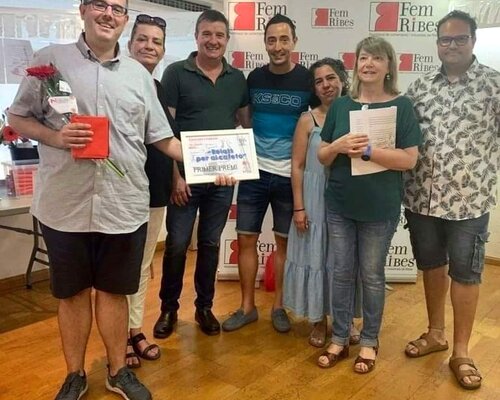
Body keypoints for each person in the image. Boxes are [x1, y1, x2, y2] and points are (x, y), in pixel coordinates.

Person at [5, 0, 210, 398]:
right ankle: (75, 374)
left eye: (117, 8)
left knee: (116, 293)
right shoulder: (49, 61)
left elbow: (163, 139)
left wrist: (212, 161)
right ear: (83, 9)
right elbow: (17, 117)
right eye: (100, 4)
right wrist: (55, 137)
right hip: (65, 206)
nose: (108, 14)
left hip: (123, 205)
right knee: (73, 295)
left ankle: (118, 371)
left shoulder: (139, 76)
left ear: (124, 19)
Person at [403, 10, 499, 390]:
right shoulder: (420, 87)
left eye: (460, 38)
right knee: (431, 266)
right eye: (446, 39)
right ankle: (435, 333)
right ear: (438, 44)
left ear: (473, 41)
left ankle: (461, 351)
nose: (452, 45)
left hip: (469, 201)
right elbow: (400, 133)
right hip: (421, 198)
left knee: (466, 274)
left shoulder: (494, 85)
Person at [317, 36, 421, 373]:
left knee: (373, 277)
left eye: (377, 58)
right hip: (340, 205)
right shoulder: (341, 106)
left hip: (379, 208)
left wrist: (368, 151)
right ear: (356, 63)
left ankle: (369, 341)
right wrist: (338, 146)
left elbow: (409, 160)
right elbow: (322, 155)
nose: (369, 64)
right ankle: (340, 337)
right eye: (363, 57)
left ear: (389, 66)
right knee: (342, 274)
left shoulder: (402, 107)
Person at [153, 9, 250, 338]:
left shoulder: (237, 79)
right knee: (177, 245)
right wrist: (175, 176)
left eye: (219, 35)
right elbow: (164, 130)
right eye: (206, 34)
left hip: (222, 182)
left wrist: (238, 163)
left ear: (227, 39)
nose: (213, 40)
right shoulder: (175, 73)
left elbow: (245, 124)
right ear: (196, 37)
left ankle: (204, 307)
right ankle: (168, 309)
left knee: (209, 244)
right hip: (183, 179)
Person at [222, 14, 312, 333]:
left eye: (284, 39)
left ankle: (278, 307)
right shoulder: (254, 78)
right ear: (265, 43)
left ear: (294, 42)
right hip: (254, 173)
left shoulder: (307, 80)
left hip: (291, 176)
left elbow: (318, 120)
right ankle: (247, 307)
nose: (278, 46)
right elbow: (245, 117)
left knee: (284, 245)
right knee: (246, 239)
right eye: (272, 40)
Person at [283, 58, 362, 348]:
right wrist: (299, 206)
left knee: (344, 262)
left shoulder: (358, 114)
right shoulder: (308, 120)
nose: (326, 85)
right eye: (319, 81)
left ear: (342, 79)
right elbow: (297, 165)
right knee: (315, 258)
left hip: (347, 197)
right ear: (314, 88)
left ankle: (345, 319)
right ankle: (318, 319)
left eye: (331, 78)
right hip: (314, 199)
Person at [125, 13, 179, 368]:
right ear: (130, 44)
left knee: (143, 265)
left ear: (162, 49)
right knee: (122, 268)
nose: (149, 46)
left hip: (155, 190)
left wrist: (178, 176)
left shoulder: (157, 88)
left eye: (156, 41)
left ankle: (134, 330)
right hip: (124, 190)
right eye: (142, 39)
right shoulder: (116, 81)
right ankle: (119, 337)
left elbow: (166, 139)